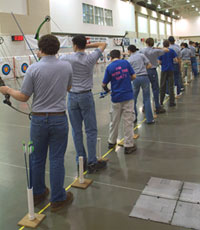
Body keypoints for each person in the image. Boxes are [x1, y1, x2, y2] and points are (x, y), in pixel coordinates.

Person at [0, 34, 73, 212]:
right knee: (56, 159)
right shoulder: (67, 66)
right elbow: (68, 88)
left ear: (40, 49)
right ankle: (57, 199)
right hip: (59, 118)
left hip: (39, 120)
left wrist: (7, 89)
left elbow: (24, 96)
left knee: (37, 158)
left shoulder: (33, 69)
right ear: (56, 49)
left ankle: (38, 193)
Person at [60, 35, 107, 173]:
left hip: (72, 97)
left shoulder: (66, 58)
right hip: (86, 96)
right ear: (84, 45)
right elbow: (103, 43)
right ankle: (92, 162)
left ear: (74, 45)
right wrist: (87, 46)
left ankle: (80, 161)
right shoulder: (90, 58)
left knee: (76, 131)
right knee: (90, 130)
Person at [102, 49, 137, 154]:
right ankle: (128, 145)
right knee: (128, 122)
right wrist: (126, 80)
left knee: (114, 121)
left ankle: (111, 142)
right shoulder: (125, 63)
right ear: (120, 56)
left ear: (111, 57)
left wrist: (109, 91)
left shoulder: (109, 67)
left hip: (116, 97)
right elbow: (134, 76)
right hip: (128, 96)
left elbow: (104, 84)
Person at [140, 38, 169, 114]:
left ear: (146, 43)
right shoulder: (155, 51)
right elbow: (166, 50)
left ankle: (145, 106)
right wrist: (157, 47)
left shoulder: (142, 50)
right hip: (152, 70)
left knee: (145, 90)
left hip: (144, 71)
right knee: (155, 89)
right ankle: (157, 106)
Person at [128, 45, 154, 124]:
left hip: (135, 79)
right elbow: (149, 65)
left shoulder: (129, 60)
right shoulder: (141, 55)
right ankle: (149, 119)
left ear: (129, 51)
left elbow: (129, 72)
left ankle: (134, 118)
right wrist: (142, 69)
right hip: (144, 77)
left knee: (133, 99)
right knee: (146, 98)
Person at [158, 40, 178, 107]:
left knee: (162, 86)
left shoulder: (161, 51)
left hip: (164, 70)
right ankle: (172, 102)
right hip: (171, 69)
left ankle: (161, 102)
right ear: (169, 44)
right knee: (171, 86)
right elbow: (176, 60)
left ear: (163, 45)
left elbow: (159, 62)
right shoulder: (172, 51)